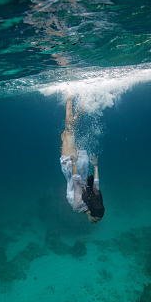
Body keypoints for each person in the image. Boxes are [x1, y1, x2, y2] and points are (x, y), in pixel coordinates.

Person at [60, 89, 105, 224]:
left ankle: (78, 111)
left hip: (82, 165)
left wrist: (95, 166)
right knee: (69, 132)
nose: (95, 223)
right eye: (95, 219)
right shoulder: (78, 207)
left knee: (64, 136)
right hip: (71, 166)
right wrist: (73, 163)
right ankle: (70, 98)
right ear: (90, 213)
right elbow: (77, 183)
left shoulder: (95, 200)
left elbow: (96, 183)